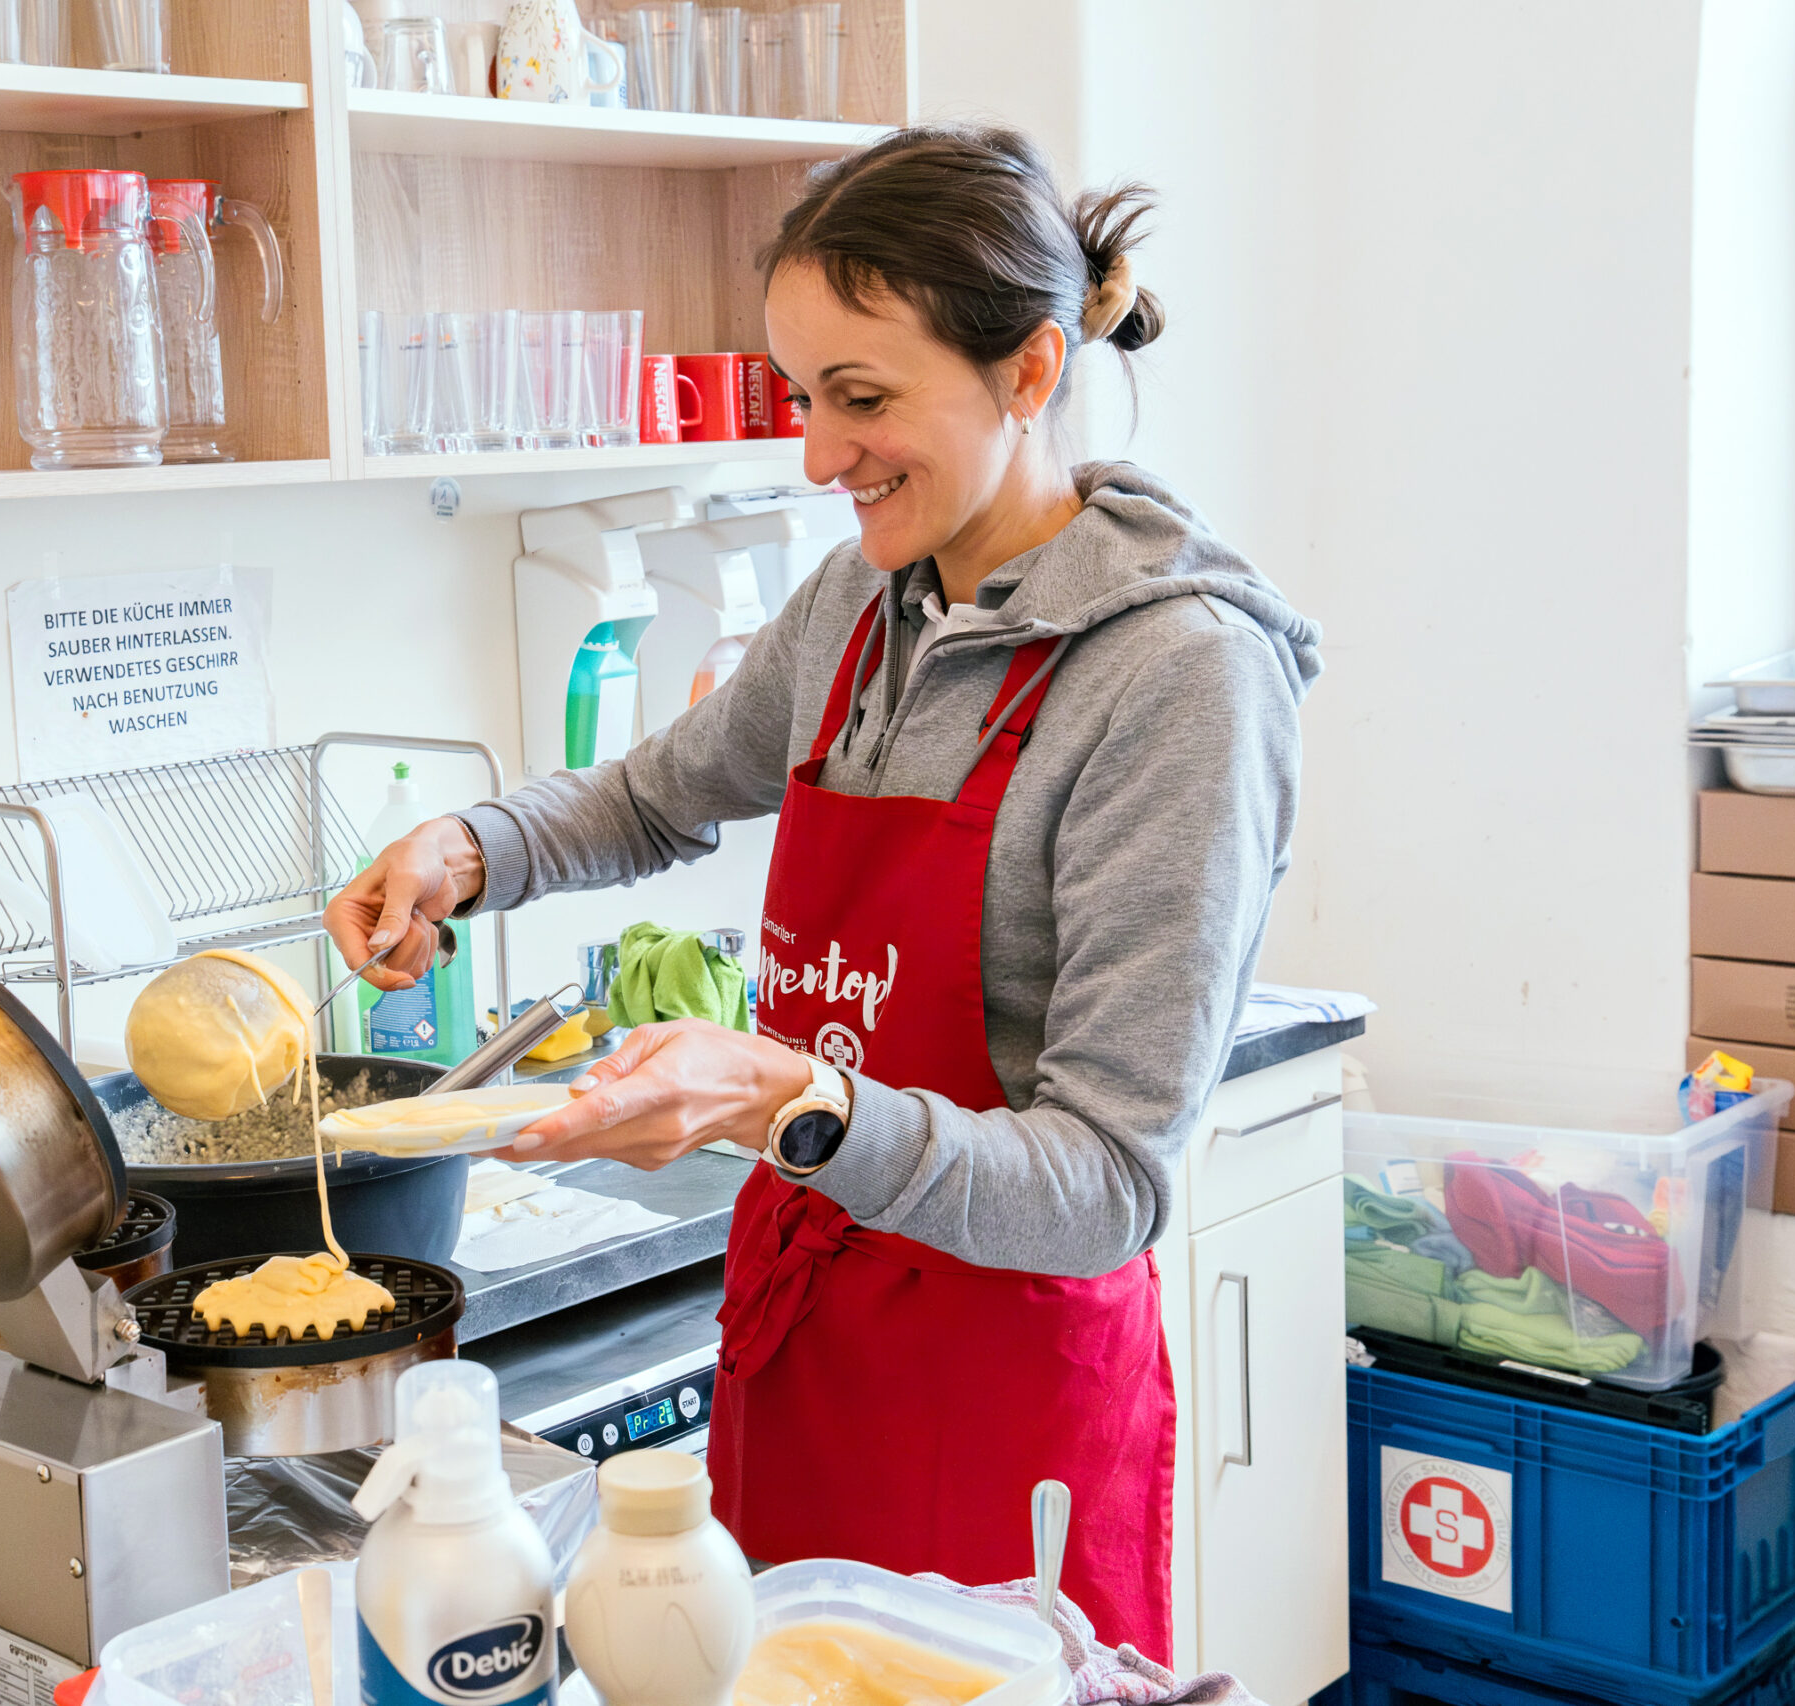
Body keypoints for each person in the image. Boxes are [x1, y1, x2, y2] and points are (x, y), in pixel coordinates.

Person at [322, 124, 1320, 1656]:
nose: (815, 454)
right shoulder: (862, 597)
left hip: (1007, 1395)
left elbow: (1107, 1182)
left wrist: (789, 1101)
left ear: (1032, 368)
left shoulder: (1181, 680)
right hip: (806, 1335)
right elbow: (661, 790)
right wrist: (471, 846)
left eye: (862, 398)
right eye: (803, 395)